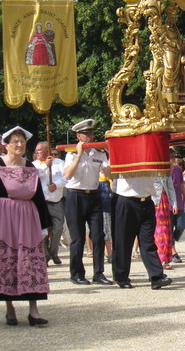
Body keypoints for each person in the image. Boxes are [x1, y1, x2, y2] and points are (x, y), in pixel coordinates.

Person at [0, 126, 52, 326]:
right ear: (6, 145)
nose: (19, 145)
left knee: (31, 259)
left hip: (27, 217)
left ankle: (33, 311)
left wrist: (45, 225)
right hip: (3, 217)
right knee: (7, 259)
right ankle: (10, 308)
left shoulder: (31, 167)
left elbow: (39, 197)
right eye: (15, 142)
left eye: (22, 141)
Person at [63, 119, 112, 285]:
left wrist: (110, 153)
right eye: (86, 134)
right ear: (78, 136)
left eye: (91, 133)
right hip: (75, 196)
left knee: (98, 235)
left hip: (93, 195)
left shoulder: (99, 153)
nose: (89, 137)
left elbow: (111, 174)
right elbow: (68, 175)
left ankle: (99, 273)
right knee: (77, 238)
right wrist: (78, 154)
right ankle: (77, 273)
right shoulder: (70, 154)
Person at [112, 175, 173, 289]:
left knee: (148, 241)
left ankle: (156, 277)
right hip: (127, 199)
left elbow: (167, 169)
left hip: (146, 200)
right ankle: (121, 276)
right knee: (124, 241)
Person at [33, 141, 67, 265]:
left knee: (58, 229)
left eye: (39, 150)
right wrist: (45, 166)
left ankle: (54, 252)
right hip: (41, 203)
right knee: (43, 232)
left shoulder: (59, 163)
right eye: (36, 150)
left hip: (56, 202)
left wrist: (56, 185)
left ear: (47, 150)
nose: (37, 152)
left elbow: (66, 178)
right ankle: (45, 255)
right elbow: (33, 177)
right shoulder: (34, 165)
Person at [152, 176, 178, 269]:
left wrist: (174, 204)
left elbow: (170, 188)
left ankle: (164, 258)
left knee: (165, 230)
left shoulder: (166, 172)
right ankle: (160, 258)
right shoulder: (151, 170)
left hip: (165, 202)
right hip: (154, 202)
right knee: (159, 230)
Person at [170, 150, 185, 264]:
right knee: (170, 227)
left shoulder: (178, 170)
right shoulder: (164, 171)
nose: (173, 159)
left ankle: (171, 241)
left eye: (174, 157)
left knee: (181, 225)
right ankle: (173, 252)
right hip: (168, 203)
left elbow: (181, 185)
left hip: (179, 200)